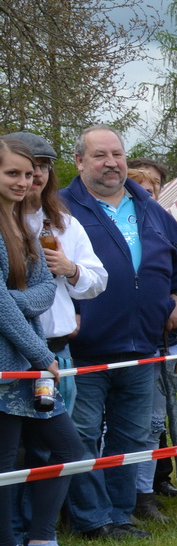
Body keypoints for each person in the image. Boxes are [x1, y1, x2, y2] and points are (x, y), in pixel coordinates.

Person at [60, 126, 177, 540]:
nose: (111, 163)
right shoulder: (61, 209)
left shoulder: (151, 210)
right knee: (81, 436)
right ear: (80, 161)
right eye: (99, 155)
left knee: (132, 437)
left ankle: (119, 514)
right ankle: (89, 517)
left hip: (143, 346)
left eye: (117, 154)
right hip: (85, 347)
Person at [0, 137, 86, 546]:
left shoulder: (28, 227)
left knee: (67, 449)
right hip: (13, 365)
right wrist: (41, 355)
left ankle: (41, 538)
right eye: (12, 173)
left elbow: (43, 292)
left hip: (30, 364)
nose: (24, 181)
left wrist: (6, 299)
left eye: (29, 173)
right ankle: (6, 545)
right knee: (6, 460)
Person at [3, 133, 106, 412]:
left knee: (54, 449)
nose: (35, 175)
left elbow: (98, 280)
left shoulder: (65, 224)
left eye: (43, 166)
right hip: (9, 353)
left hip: (56, 352)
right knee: (14, 447)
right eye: (25, 167)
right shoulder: (5, 224)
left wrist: (70, 269)